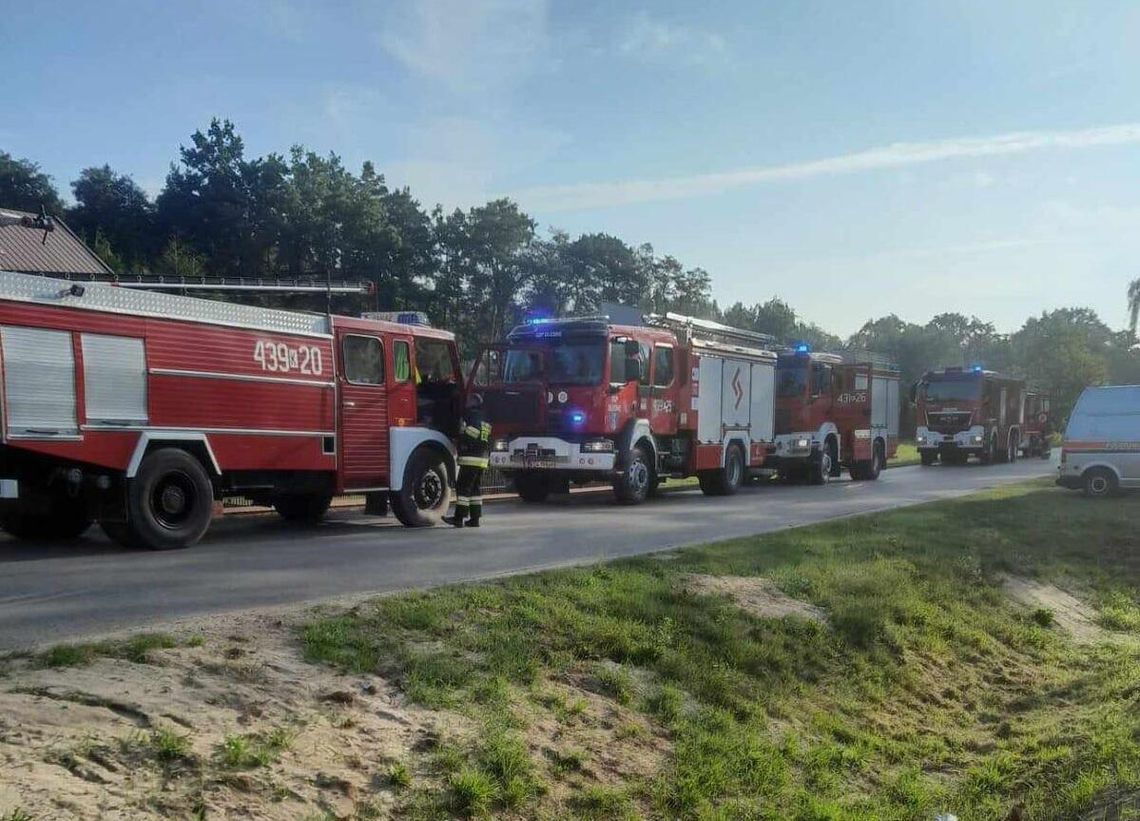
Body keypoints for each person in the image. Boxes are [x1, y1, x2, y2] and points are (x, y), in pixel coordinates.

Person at [445, 394, 492, 528]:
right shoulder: (485, 418)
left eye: (469, 401)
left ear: (473, 403)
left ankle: (458, 518)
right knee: (475, 490)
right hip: (482, 459)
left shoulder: (469, 415)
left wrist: (461, 432)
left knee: (463, 488)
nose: (467, 403)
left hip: (470, 458)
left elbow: (469, 432)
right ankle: (475, 519)